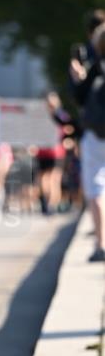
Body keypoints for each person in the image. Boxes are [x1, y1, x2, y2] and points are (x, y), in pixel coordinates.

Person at [70, 24, 105, 261]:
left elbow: (80, 99)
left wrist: (77, 77)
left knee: (96, 188)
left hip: (96, 135)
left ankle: (101, 242)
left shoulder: (95, 69)